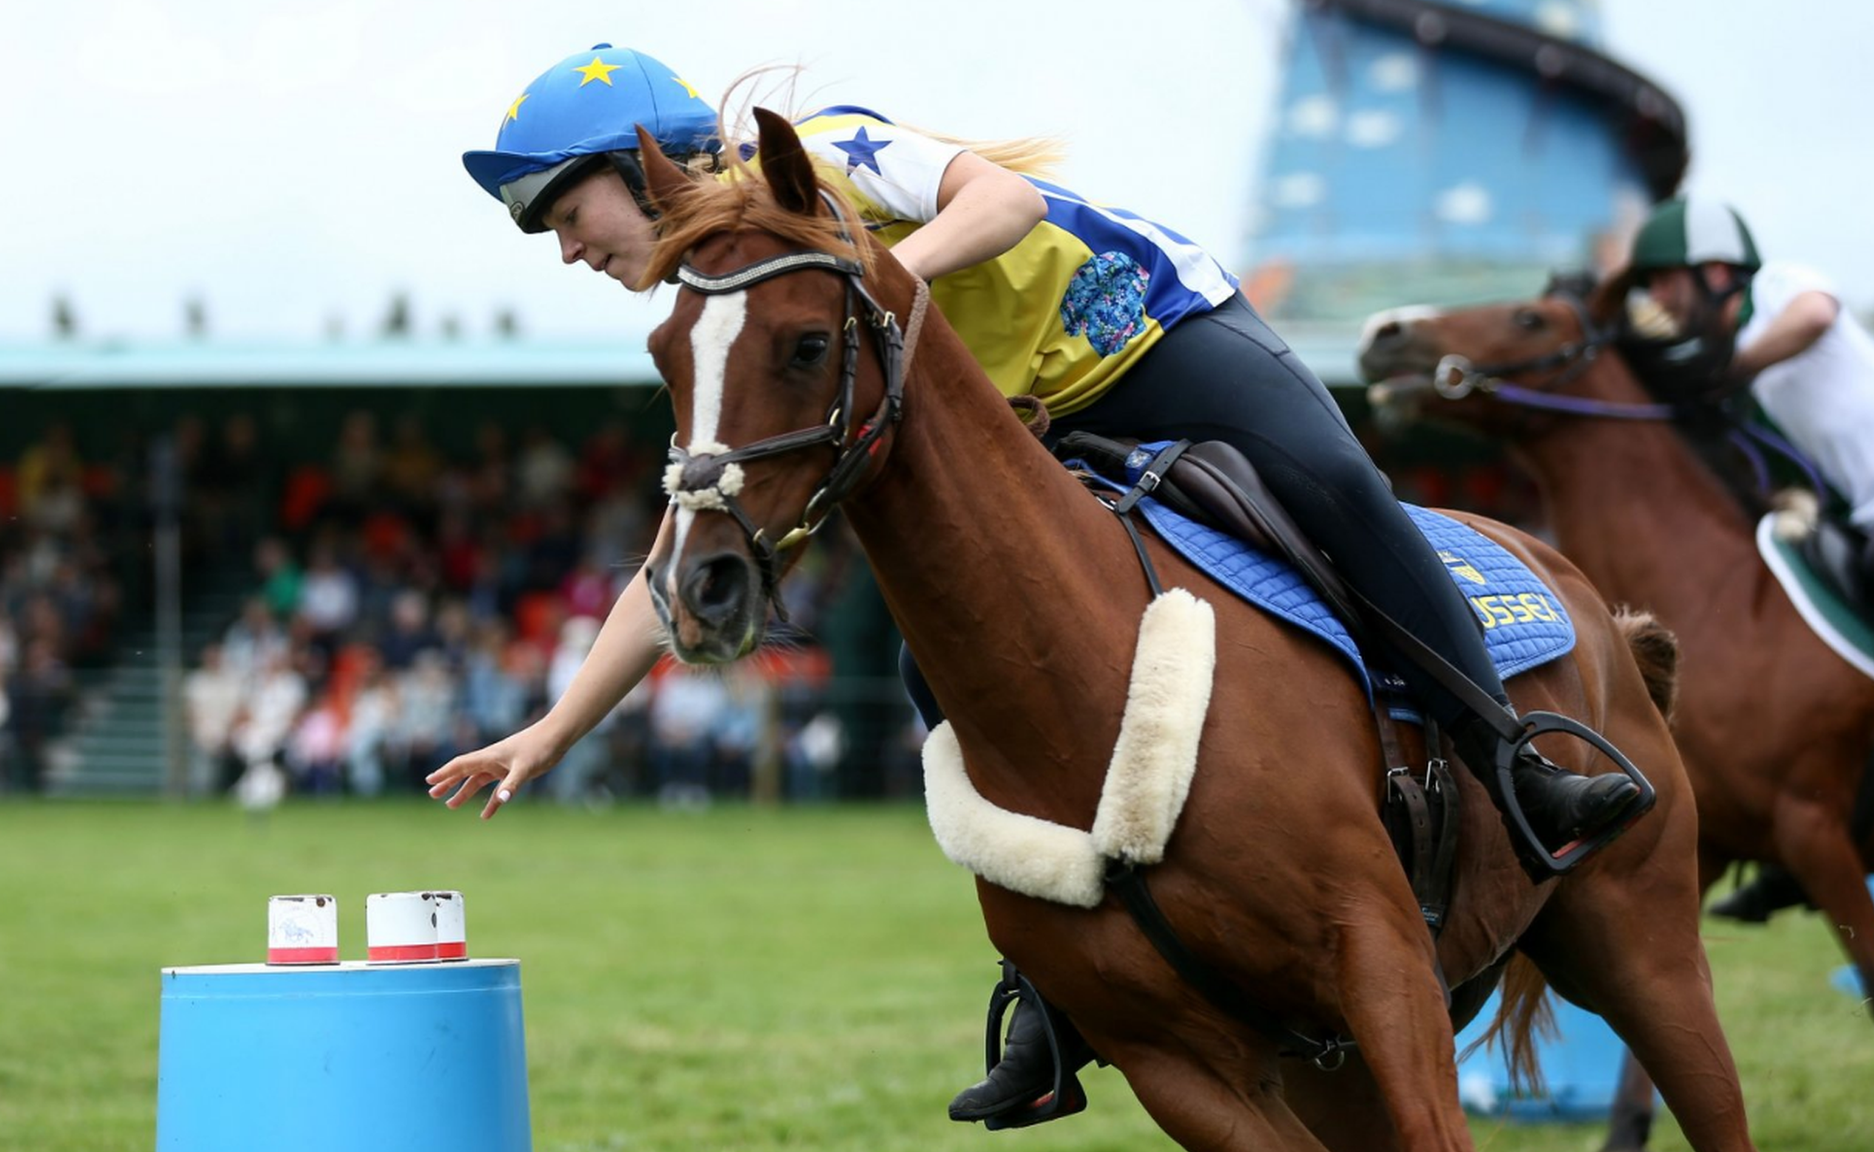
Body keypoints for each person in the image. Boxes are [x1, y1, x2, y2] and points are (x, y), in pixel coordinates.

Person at [431, 42, 1647, 1128]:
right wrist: (549, 730)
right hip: (1031, 425)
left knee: (1341, 491)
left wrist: (880, 286)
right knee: (938, 652)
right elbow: (678, 556)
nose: (568, 246)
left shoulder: (830, 157)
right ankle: (1052, 992)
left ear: (642, 165)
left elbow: (1000, 200)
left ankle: (1514, 759)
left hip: (1161, 340)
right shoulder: (744, 311)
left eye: (563, 209)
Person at [1620, 197, 1874, 922]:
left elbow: (1815, 317)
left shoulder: (1777, 286)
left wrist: (1729, 365)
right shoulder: (1741, 376)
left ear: (1717, 273)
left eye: (1663, 281)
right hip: (1871, 518)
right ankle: (1805, 854)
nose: (1655, 299)